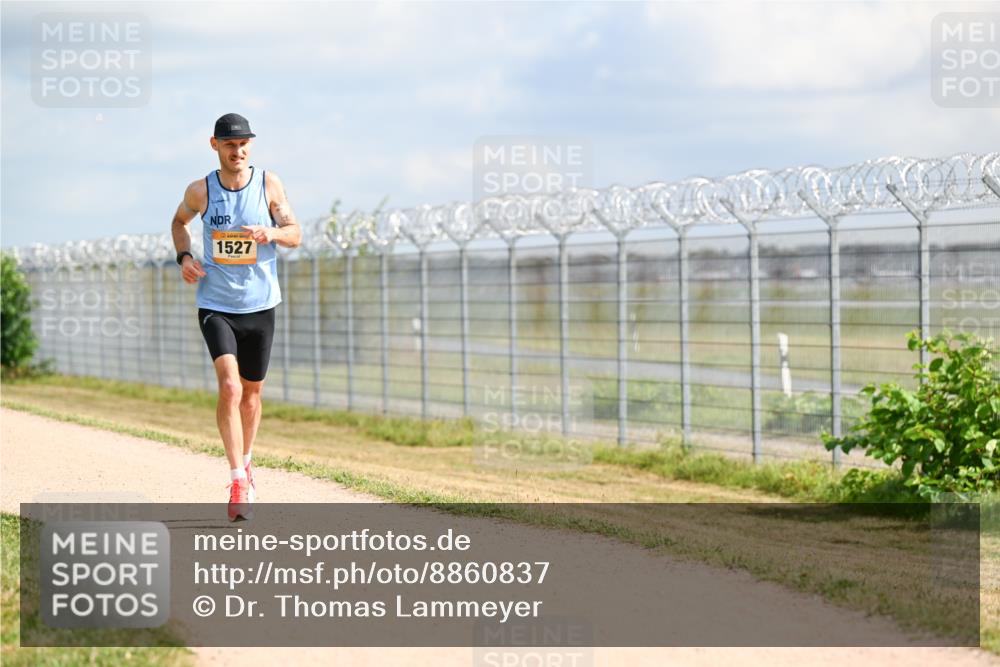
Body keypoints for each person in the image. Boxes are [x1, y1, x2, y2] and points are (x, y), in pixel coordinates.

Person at [170, 113, 302, 521]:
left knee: (251, 394)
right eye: (230, 145)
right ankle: (236, 480)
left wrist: (272, 233)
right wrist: (185, 256)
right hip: (216, 304)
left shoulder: (269, 184)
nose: (238, 151)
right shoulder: (200, 191)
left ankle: (247, 462)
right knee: (229, 387)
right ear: (215, 146)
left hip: (261, 305)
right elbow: (179, 223)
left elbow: (295, 234)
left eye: (244, 144)